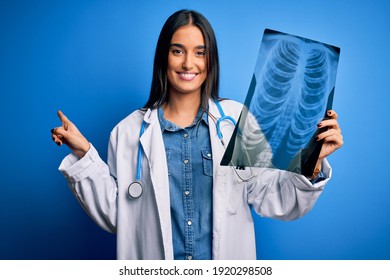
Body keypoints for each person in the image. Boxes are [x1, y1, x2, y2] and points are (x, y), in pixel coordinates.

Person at [51, 9, 343, 260]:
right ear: (163, 57)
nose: (189, 64)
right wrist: (84, 153)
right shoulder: (127, 132)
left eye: (200, 53)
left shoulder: (236, 123)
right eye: (178, 51)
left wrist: (312, 163)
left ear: (210, 60)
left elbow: (271, 197)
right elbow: (119, 216)